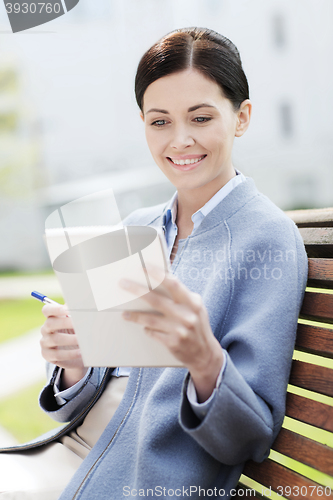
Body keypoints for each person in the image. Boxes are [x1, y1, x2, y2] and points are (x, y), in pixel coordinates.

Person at [0, 27, 308, 499]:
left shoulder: (267, 240)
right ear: (142, 122)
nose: (180, 140)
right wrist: (76, 363)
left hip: (141, 481)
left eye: (201, 117)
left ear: (242, 117)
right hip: (75, 451)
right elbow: (75, 400)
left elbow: (250, 435)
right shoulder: (137, 228)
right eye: (160, 122)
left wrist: (204, 359)